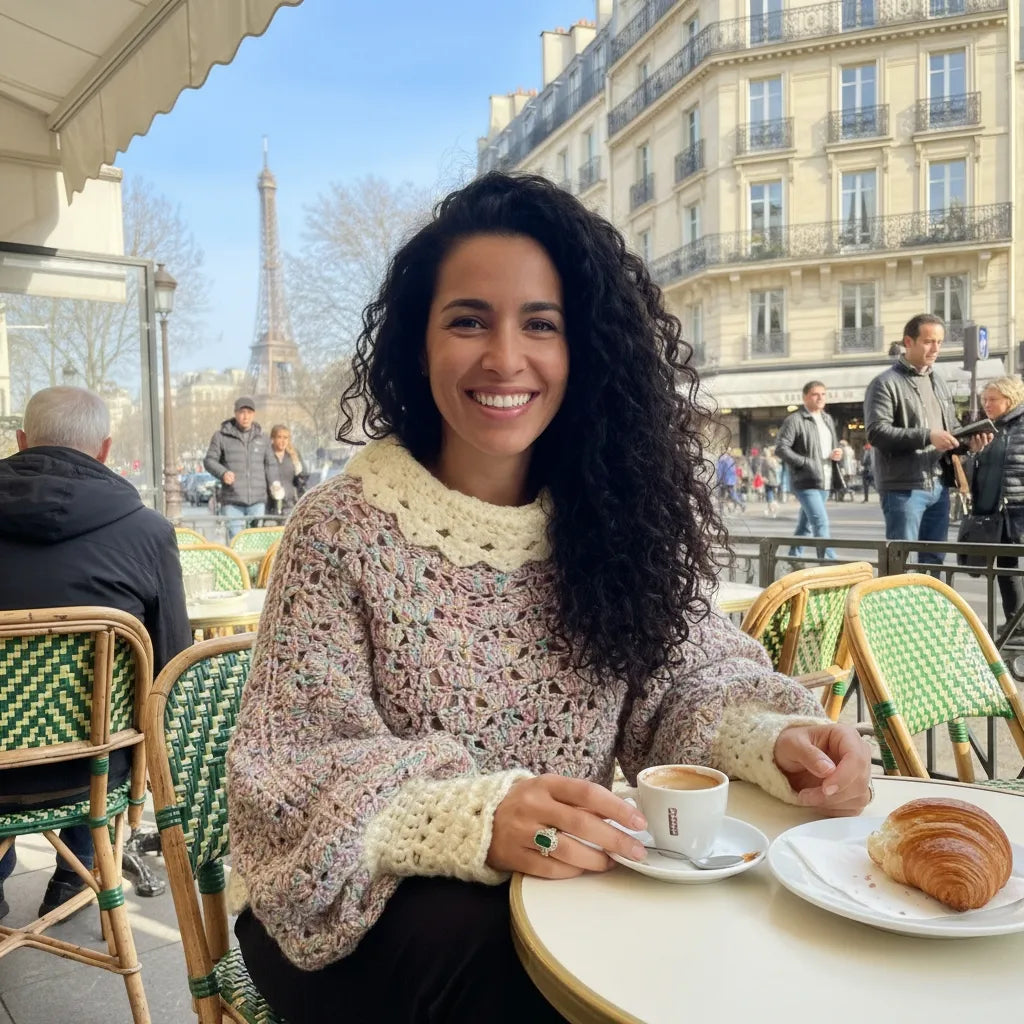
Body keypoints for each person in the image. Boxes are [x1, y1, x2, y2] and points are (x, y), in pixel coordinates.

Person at [225, 174, 872, 1022]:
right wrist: (471, 812)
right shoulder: (339, 527)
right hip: (343, 908)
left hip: (553, 896)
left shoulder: (612, 522)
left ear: (585, 351)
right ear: (418, 346)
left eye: (541, 324)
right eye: (467, 320)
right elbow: (287, 773)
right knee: (529, 971)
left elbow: (684, 683)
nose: (504, 357)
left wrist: (777, 739)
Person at [0, 386, 191, 920]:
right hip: (92, 770)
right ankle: (76, 873)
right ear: (105, 450)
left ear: (20, 442)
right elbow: (174, 663)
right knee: (106, 723)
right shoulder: (149, 532)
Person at [865, 314, 991, 566]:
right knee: (901, 562)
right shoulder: (884, 383)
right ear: (908, 342)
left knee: (934, 560)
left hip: (939, 483)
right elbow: (876, 432)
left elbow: (951, 429)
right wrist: (927, 435)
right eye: (928, 341)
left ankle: (929, 606)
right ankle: (897, 607)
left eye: (940, 342)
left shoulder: (938, 381)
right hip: (904, 487)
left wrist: (969, 443)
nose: (935, 349)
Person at [967, 377, 1024, 623]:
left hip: (1019, 506)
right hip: (999, 511)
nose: (987, 404)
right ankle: (1015, 623)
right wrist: (973, 452)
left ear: (1009, 400)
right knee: (1006, 566)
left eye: (992, 400)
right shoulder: (990, 427)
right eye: (984, 400)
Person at [775, 381, 843, 561]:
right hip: (805, 481)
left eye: (823, 394)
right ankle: (829, 564)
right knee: (820, 522)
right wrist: (805, 462)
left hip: (825, 479)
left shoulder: (827, 419)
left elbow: (831, 446)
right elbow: (781, 448)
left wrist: (837, 452)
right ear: (805, 397)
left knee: (805, 526)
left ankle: (793, 559)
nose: (820, 397)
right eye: (815, 394)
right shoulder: (795, 420)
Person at [204, 396, 272, 540]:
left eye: (249, 412)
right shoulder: (220, 436)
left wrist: (275, 485)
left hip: (257, 499)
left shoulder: (263, 438)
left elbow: (270, 465)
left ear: (254, 414)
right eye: (242, 412)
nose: (245, 416)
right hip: (232, 500)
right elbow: (209, 460)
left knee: (256, 541)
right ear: (235, 413)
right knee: (237, 540)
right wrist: (223, 473)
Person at [266, 424, 306, 516]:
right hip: (270, 505)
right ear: (273, 438)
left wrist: (300, 472)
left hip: (289, 503)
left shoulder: (293, 455)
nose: (283, 441)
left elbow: (303, 479)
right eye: (279, 437)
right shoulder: (267, 454)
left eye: (286, 438)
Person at [761, 446, 781, 518]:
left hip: (770, 480)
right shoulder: (774, 460)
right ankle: (771, 509)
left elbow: (773, 470)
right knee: (770, 495)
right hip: (772, 480)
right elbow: (776, 469)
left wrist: (763, 477)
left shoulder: (768, 460)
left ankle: (772, 509)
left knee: (769, 495)